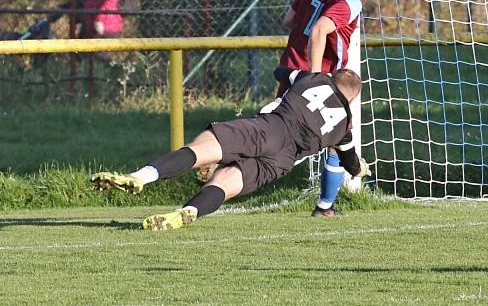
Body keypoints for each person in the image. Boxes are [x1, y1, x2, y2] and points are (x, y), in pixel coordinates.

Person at [89, 67, 372, 230]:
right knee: (223, 184)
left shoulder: (313, 79)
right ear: (352, 98)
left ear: (332, 77)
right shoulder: (344, 125)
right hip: (282, 161)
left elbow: (281, 72)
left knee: (200, 150)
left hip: (268, 129)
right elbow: (349, 162)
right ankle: (188, 212)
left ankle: (142, 176)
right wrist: (360, 169)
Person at [269, 0, 383, 217]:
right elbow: (320, 29)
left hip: (290, 68)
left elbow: (289, 19)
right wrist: (315, 77)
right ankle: (325, 207)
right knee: (339, 138)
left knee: (270, 131)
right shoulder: (350, 0)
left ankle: (224, 158)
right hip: (321, 81)